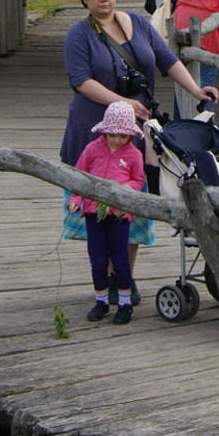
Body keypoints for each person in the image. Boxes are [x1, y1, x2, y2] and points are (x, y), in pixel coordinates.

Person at [61, 0, 219, 302]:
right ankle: (105, 281)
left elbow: (167, 60)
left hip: (135, 137)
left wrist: (197, 90)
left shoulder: (139, 24)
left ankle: (125, 277)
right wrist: (124, 103)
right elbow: (80, 80)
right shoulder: (79, 34)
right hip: (95, 134)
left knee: (131, 205)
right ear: (84, 0)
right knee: (98, 210)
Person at [68, 102, 147, 324]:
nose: (116, 140)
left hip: (119, 214)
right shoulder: (92, 149)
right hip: (94, 212)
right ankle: (101, 301)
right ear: (105, 131)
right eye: (112, 134)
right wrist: (76, 199)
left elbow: (137, 181)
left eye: (122, 136)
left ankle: (124, 303)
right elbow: (80, 177)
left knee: (120, 258)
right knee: (97, 259)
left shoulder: (133, 154)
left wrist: (123, 190)